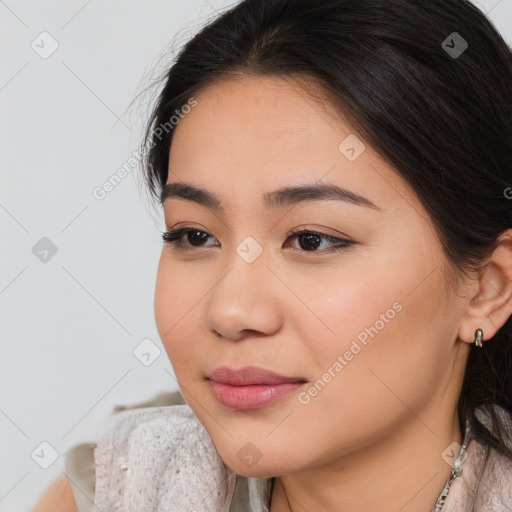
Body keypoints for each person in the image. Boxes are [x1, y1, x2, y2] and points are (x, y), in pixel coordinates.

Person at [33, 0, 512, 510]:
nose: (230, 312)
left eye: (312, 239)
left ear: (487, 288)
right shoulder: (118, 487)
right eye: (194, 236)